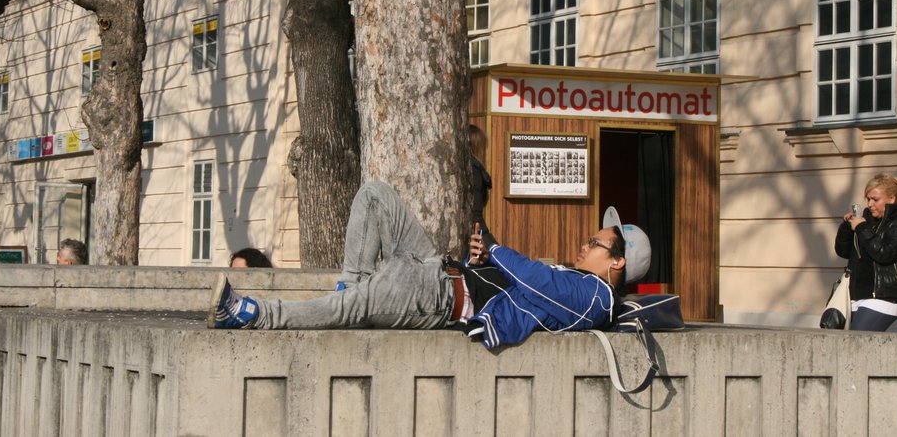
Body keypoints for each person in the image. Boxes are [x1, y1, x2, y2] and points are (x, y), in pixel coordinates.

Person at [208, 181, 651, 349]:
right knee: (375, 195)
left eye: (595, 243)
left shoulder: (596, 297)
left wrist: (497, 250)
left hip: (437, 298)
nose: (584, 245)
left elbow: (539, 283)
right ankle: (352, 296)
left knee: (353, 305)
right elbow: (526, 289)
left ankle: (250, 314)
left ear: (616, 262)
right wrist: (482, 260)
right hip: (439, 269)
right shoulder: (582, 284)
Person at [834, 173, 897, 331]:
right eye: (868, 199)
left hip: (884, 297)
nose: (870, 204)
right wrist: (847, 227)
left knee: (859, 341)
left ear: (892, 198)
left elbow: (885, 253)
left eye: (875, 199)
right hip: (856, 295)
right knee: (849, 343)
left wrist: (862, 228)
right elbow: (844, 252)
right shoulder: (867, 223)